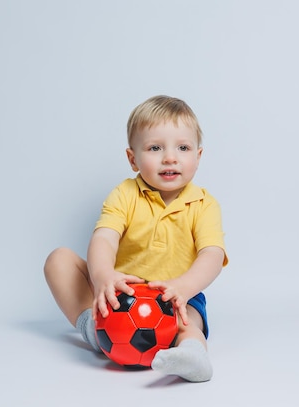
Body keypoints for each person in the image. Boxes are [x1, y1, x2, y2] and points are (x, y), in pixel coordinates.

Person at [43, 95, 228, 382]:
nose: (170, 157)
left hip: (174, 296)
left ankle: (192, 355)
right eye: (155, 147)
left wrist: (182, 287)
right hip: (123, 295)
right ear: (133, 159)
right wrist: (104, 275)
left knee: (188, 320)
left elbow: (212, 256)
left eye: (183, 147)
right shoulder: (125, 194)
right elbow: (105, 237)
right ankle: (95, 329)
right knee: (59, 260)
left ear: (198, 156)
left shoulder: (204, 204)